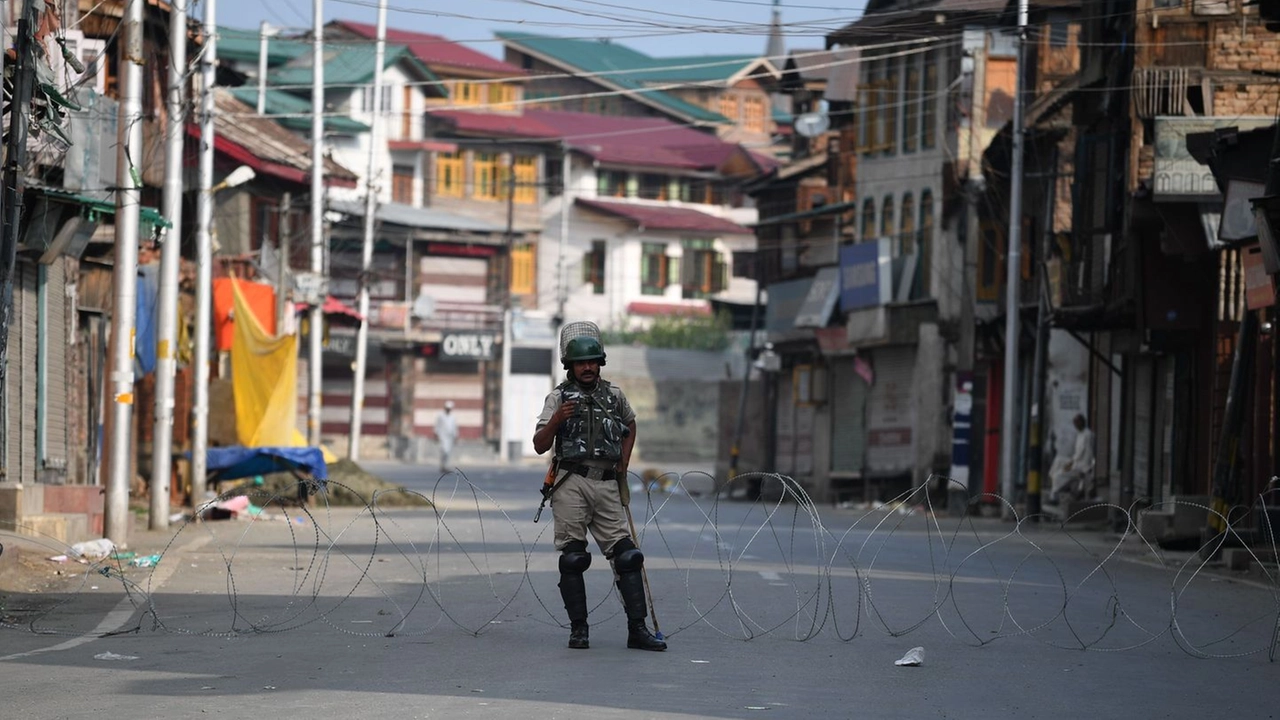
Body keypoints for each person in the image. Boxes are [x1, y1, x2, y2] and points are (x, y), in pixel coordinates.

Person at [532, 335, 666, 652]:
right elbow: (539, 444)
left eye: (593, 362)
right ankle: (579, 630)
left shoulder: (614, 395)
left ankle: (638, 629)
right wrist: (557, 420)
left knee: (629, 556)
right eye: (582, 363)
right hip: (571, 481)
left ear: (600, 363)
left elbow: (630, 425)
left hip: (606, 481)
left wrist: (624, 459)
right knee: (574, 558)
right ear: (571, 366)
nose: (588, 367)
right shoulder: (558, 398)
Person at [1050, 414, 1095, 503]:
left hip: (1082, 465)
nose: (1075, 426)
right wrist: (1070, 462)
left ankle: (1054, 495)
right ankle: (1053, 480)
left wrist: (1085, 469)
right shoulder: (1080, 434)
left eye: (1076, 423)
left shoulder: (1088, 435)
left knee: (1058, 475)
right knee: (1058, 461)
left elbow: (1088, 453)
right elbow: (1077, 453)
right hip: (1076, 461)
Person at [435, 400, 459, 472]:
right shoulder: (441, 416)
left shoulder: (452, 417)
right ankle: (442, 465)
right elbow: (437, 426)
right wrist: (436, 434)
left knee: (448, 452)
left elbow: (454, 427)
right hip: (443, 436)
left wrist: (456, 436)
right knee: (444, 451)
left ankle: (445, 466)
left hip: (450, 437)